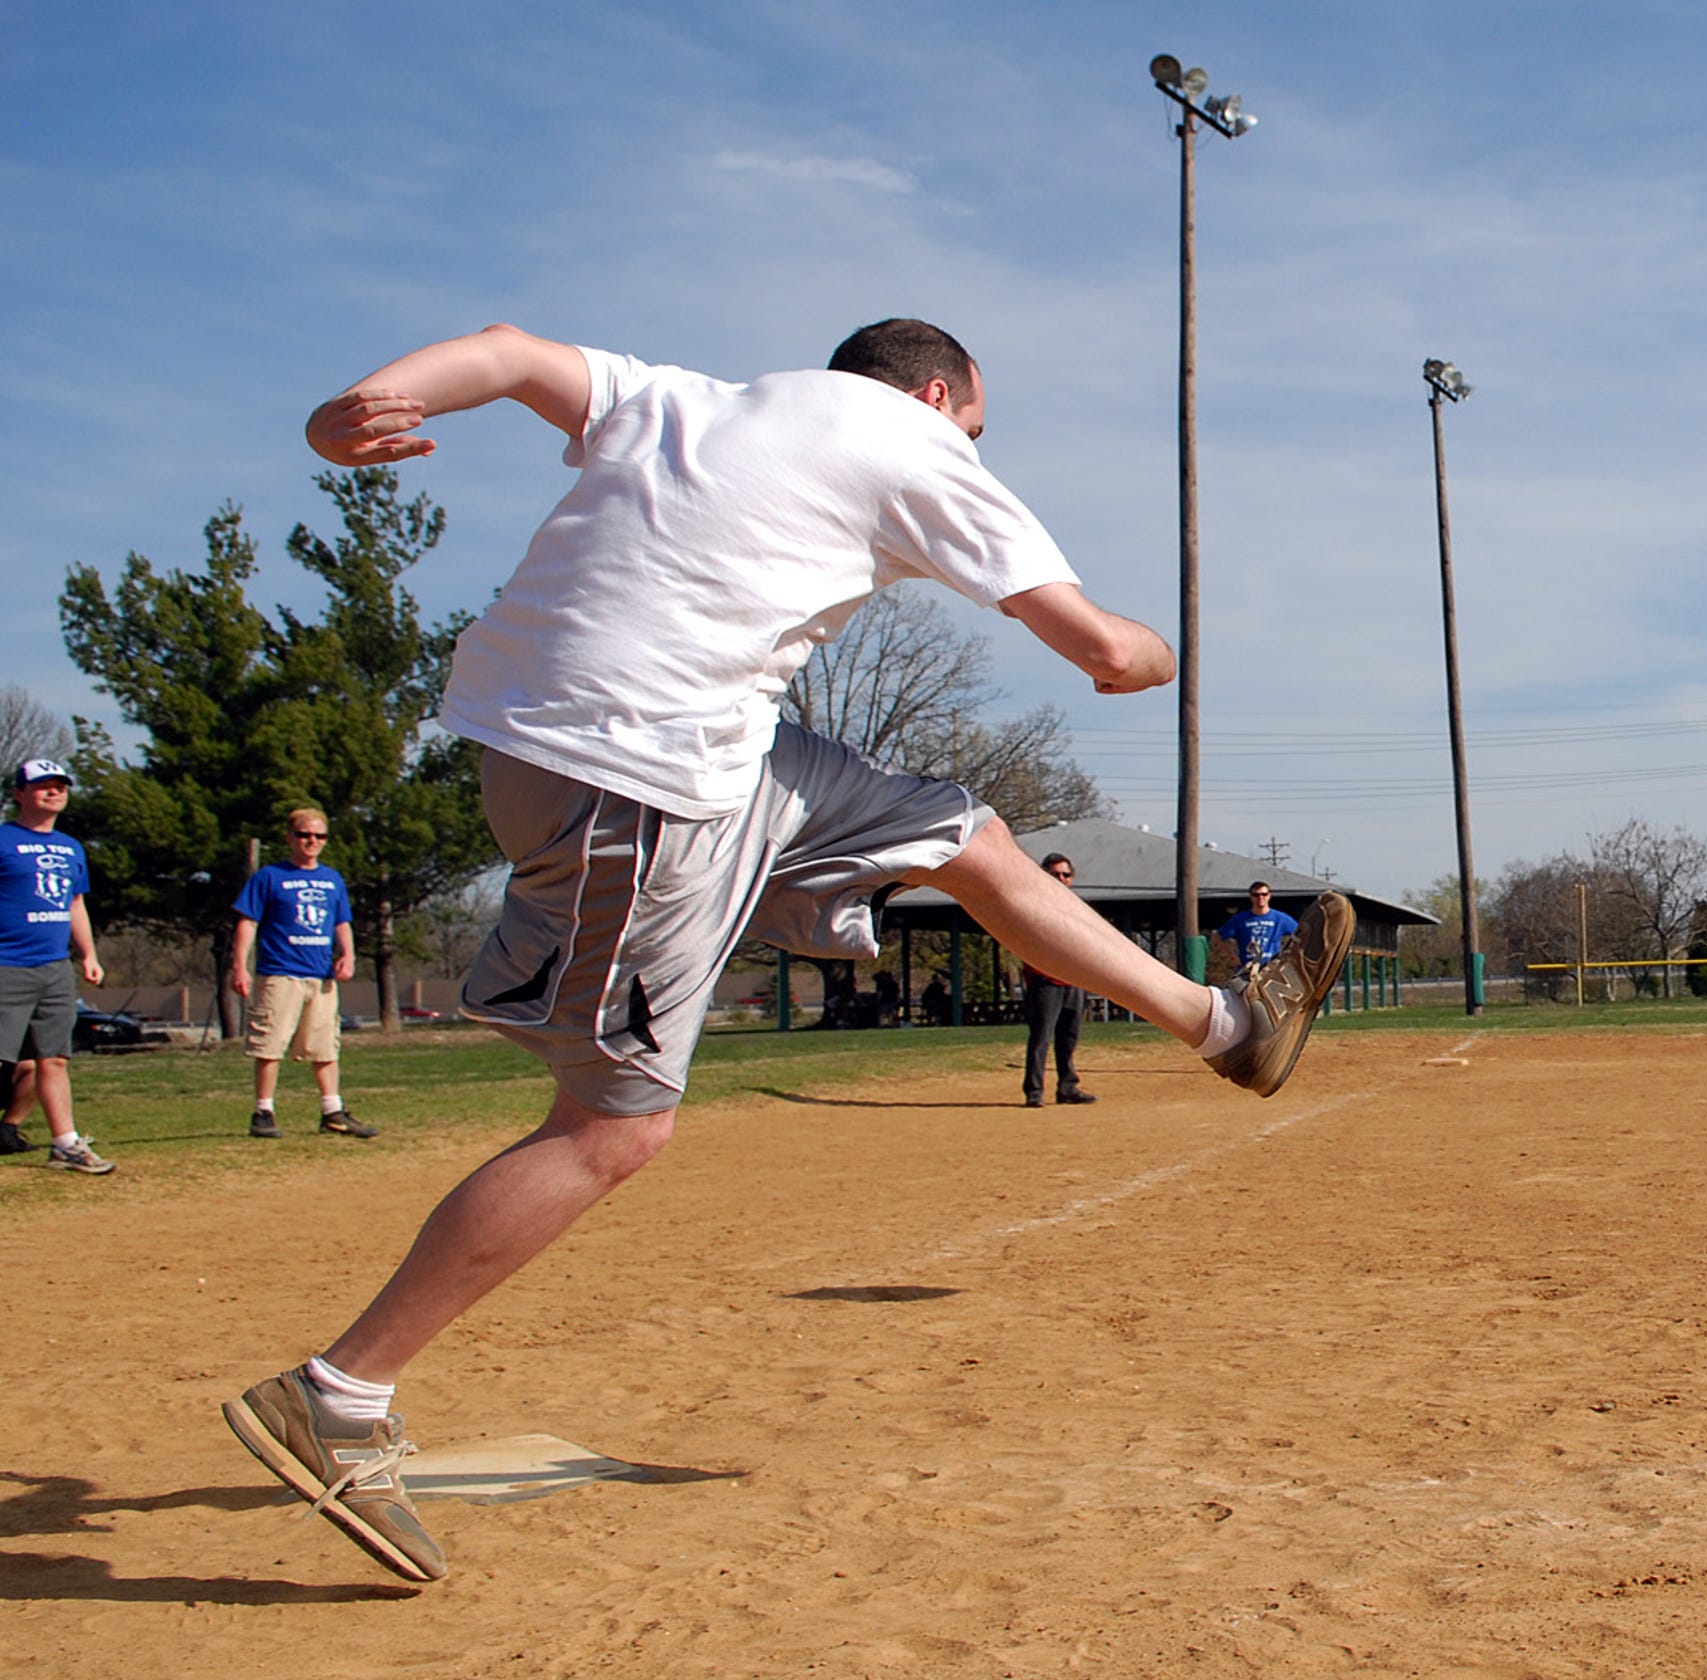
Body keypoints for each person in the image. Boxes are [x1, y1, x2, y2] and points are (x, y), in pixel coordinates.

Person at [221, 319, 1352, 1584]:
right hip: (635, 780)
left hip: (632, 748)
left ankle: (1226, 1029)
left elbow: (505, 352)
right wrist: (1154, 652)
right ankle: (341, 1389)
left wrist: (356, 411)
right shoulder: (919, 446)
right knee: (612, 1128)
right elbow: (1100, 649)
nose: (968, 447)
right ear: (937, 395)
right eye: (973, 426)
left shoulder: (687, 398)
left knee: (966, 838)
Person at [231, 806, 375, 1139]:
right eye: (304, 835)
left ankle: (332, 1111)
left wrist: (349, 956)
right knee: (270, 1044)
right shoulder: (269, 877)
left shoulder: (331, 879)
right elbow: (247, 922)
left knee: (326, 1046)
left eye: (319, 836)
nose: (312, 841)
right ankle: (263, 1111)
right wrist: (240, 965)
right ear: (290, 837)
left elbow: (341, 922)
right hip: (281, 973)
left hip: (320, 975)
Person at [0, 761, 112, 1174]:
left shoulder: (70, 848)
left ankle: (65, 1143)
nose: (53, 792)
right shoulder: (3, 839)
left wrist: (88, 954)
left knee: (54, 1058)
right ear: (18, 793)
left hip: (54, 968)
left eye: (59, 785)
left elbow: (74, 904)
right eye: (42, 785)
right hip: (6, 965)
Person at [1019, 852, 1094, 1106]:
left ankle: (1068, 1088)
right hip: (1045, 982)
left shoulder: (1077, 907)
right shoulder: (1032, 904)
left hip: (1073, 981)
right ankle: (1034, 1092)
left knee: (1069, 1038)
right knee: (1041, 1038)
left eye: (1066, 874)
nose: (1061, 878)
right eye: (1055, 874)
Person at [1215, 881, 1302, 975]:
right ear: (1251, 897)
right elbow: (1219, 937)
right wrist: (1234, 958)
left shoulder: (1280, 918)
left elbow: (1301, 933)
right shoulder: (1241, 919)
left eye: (1264, 894)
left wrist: (1289, 956)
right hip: (1247, 968)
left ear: (1269, 896)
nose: (1260, 897)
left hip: (1271, 969)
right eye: (1256, 895)